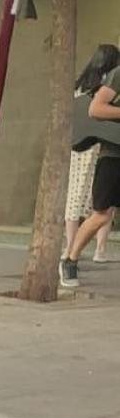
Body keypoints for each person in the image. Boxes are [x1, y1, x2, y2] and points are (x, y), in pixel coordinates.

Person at [63, 46, 120, 286]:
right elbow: (96, 109)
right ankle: (70, 260)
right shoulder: (119, 74)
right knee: (100, 215)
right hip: (114, 155)